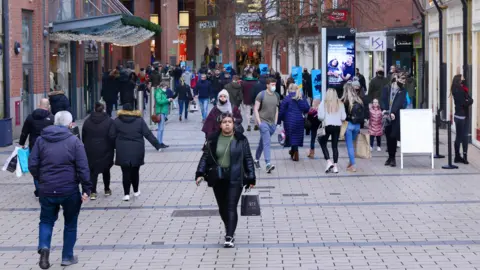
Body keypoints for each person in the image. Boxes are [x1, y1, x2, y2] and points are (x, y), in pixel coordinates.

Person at [28, 111, 91, 269]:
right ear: (70, 124)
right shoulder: (74, 141)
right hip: (69, 189)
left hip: (47, 189)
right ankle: (67, 257)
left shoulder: (41, 140)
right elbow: (83, 167)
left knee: (46, 220)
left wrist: (40, 179)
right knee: (70, 223)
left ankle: (44, 247)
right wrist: (86, 189)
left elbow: (32, 164)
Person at [195, 112, 256, 248]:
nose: (227, 124)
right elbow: (205, 157)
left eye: (230, 121)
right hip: (218, 178)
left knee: (231, 206)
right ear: (220, 125)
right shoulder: (212, 139)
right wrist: (200, 173)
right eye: (224, 122)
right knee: (222, 208)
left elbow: (248, 158)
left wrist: (251, 177)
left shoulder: (241, 139)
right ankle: (230, 227)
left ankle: (229, 236)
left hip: (236, 178)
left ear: (233, 124)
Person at [109, 103, 161, 201]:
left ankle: (126, 194)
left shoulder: (117, 121)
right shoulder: (139, 121)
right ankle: (136, 191)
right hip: (137, 149)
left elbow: (111, 135)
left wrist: (115, 146)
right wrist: (157, 145)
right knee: (135, 171)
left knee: (125, 172)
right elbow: (147, 134)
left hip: (123, 150)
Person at [19, 98, 54, 198]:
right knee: (47, 166)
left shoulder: (30, 117)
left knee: (35, 166)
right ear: (48, 106)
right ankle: (47, 187)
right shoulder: (51, 118)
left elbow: (24, 131)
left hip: (34, 145)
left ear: (39, 105)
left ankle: (38, 189)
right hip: (48, 146)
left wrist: (21, 143)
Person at [82, 102, 115, 200]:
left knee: (93, 171)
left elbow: (84, 136)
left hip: (91, 149)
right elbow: (112, 136)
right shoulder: (109, 121)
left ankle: (93, 192)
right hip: (106, 149)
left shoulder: (87, 121)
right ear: (103, 109)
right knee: (106, 170)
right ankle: (107, 189)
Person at [380, 74, 408, 167]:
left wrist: (394, 112)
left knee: (393, 136)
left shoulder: (402, 90)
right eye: (399, 79)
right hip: (387, 115)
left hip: (396, 116)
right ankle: (390, 157)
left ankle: (393, 158)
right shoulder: (386, 88)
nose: (402, 81)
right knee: (388, 137)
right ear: (394, 80)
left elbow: (399, 102)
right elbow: (382, 99)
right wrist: (384, 109)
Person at [253, 78, 280, 173]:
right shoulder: (261, 94)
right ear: (267, 85)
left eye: (275, 84)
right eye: (272, 84)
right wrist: (259, 122)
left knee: (263, 142)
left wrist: (276, 122)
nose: (274, 86)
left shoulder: (276, 95)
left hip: (272, 124)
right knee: (267, 142)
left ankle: (256, 159)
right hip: (263, 122)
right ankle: (268, 163)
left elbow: (276, 109)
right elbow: (256, 108)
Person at [279, 84, 310, 161]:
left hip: (289, 121)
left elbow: (282, 111)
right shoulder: (301, 97)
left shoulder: (287, 98)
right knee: (296, 137)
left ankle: (295, 152)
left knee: (291, 136)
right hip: (299, 120)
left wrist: (279, 120)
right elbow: (307, 108)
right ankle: (294, 152)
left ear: (289, 89)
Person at [318, 89, 346, 173]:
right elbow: (343, 117)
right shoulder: (340, 103)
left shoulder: (324, 103)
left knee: (322, 142)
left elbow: (321, 117)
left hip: (327, 126)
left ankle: (328, 161)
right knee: (335, 146)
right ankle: (335, 166)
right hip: (337, 126)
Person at [341, 82, 365, 172]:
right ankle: (351, 162)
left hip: (349, 126)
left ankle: (353, 165)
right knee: (352, 145)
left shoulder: (345, 100)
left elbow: (343, 116)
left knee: (350, 146)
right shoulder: (359, 99)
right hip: (357, 126)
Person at [451, 74, 473, 164]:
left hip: (459, 116)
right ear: (459, 80)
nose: (464, 78)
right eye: (462, 78)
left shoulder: (457, 89)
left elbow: (467, 99)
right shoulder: (459, 90)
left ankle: (459, 156)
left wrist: (469, 100)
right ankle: (462, 157)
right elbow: (465, 102)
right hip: (462, 116)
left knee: (460, 137)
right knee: (462, 137)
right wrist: (470, 101)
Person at [155, 82, 173, 148]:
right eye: (165, 87)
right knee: (160, 128)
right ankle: (159, 143)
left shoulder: (162, 92)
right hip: (160, 111)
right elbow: (159, 101)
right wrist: (167, 100)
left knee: (161, 128)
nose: (166, 89)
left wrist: (168, 100)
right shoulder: (158, 92)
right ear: (161, 87)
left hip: (163, 111)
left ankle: (160, 142)